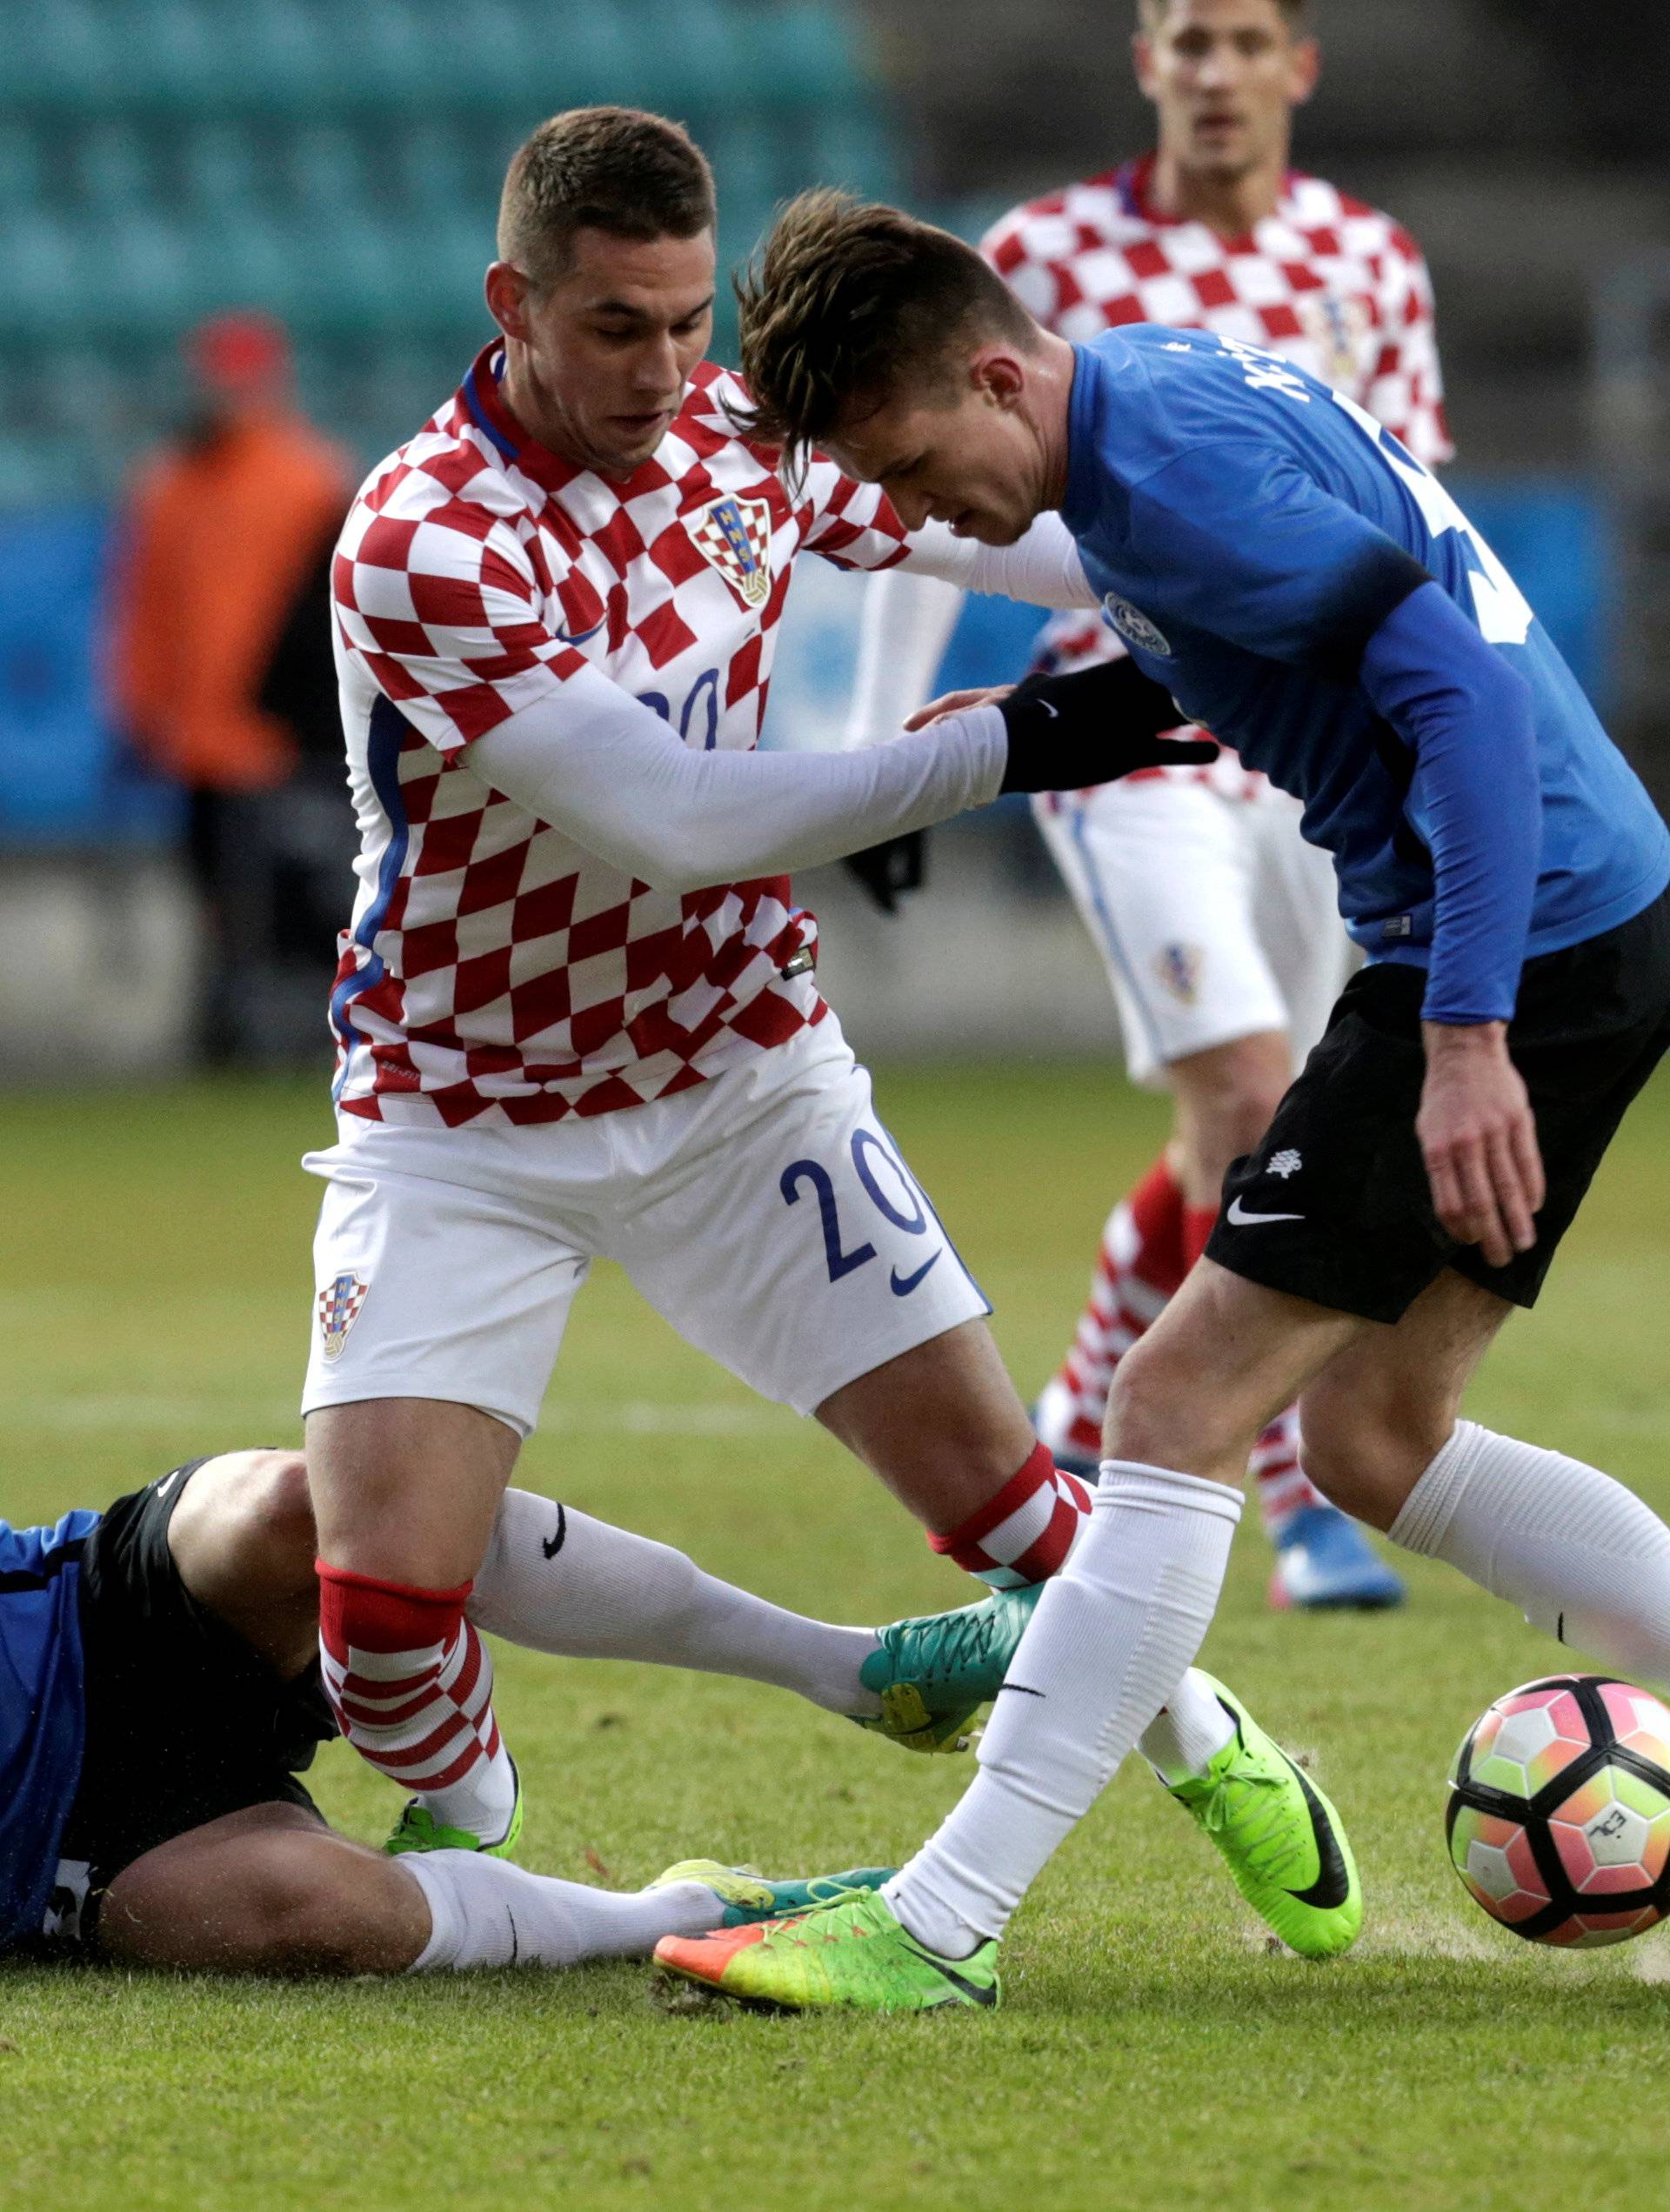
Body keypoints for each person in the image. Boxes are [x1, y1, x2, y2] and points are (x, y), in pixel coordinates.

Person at [301, 104, 1357, 1956]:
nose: (663, 370)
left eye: (687, 319)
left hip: (739, 1077)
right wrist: (1009, 744)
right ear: (512, 303)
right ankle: (505, 1802)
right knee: (383, 1623)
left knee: (1015, 1504)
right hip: (466, 1110)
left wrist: (1219, 592)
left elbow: (1016, 534)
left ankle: (1209, 1738)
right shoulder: (425, 537)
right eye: (616, 325)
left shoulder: (735, 438)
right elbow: (675, 820)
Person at [649, 190, 1670, 2010]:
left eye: (910, 461)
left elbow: (1454, 695)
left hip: (1511, 922)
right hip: (1592, 908)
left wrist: (1462, 1030)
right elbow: (1289, 621)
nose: (912, 506)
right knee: (1373, 1436)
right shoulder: (1134, 402)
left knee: (1176, 1394)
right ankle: (947, 1912)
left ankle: (943, 1918)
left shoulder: (1167, 472)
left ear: (989, 369)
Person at [846, 0, 1449, 1609]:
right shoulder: (1045, 248)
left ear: (1299, 66)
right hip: (1136, 736)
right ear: (1145, 62)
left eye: (1245, 39)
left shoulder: (1369, 261)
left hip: (1313, 750)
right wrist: (873, 753)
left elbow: (1412, 497)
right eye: (1185, 39)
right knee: (1255, 1103)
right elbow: (924, 498)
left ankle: (1077, 1407)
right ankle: (1293, 1488)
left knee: (1269, 1120)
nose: (1214, 70)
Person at [3, 1447, 1047, 1975]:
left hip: (78, 1614)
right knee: (324, 1911)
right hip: (69, 1840)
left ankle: (856, 1670)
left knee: (307, 1503)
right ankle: (683, 1912)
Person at [108, 312, 354, 1062]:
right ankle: (237, 1024)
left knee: (282, 896)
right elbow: (144, 607)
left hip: (275, 738)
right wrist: (142, 708)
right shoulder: (170, 485)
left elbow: (331, 616)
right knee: (218, 896)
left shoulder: (309, 480)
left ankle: (275, 1030)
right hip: (197, 739)